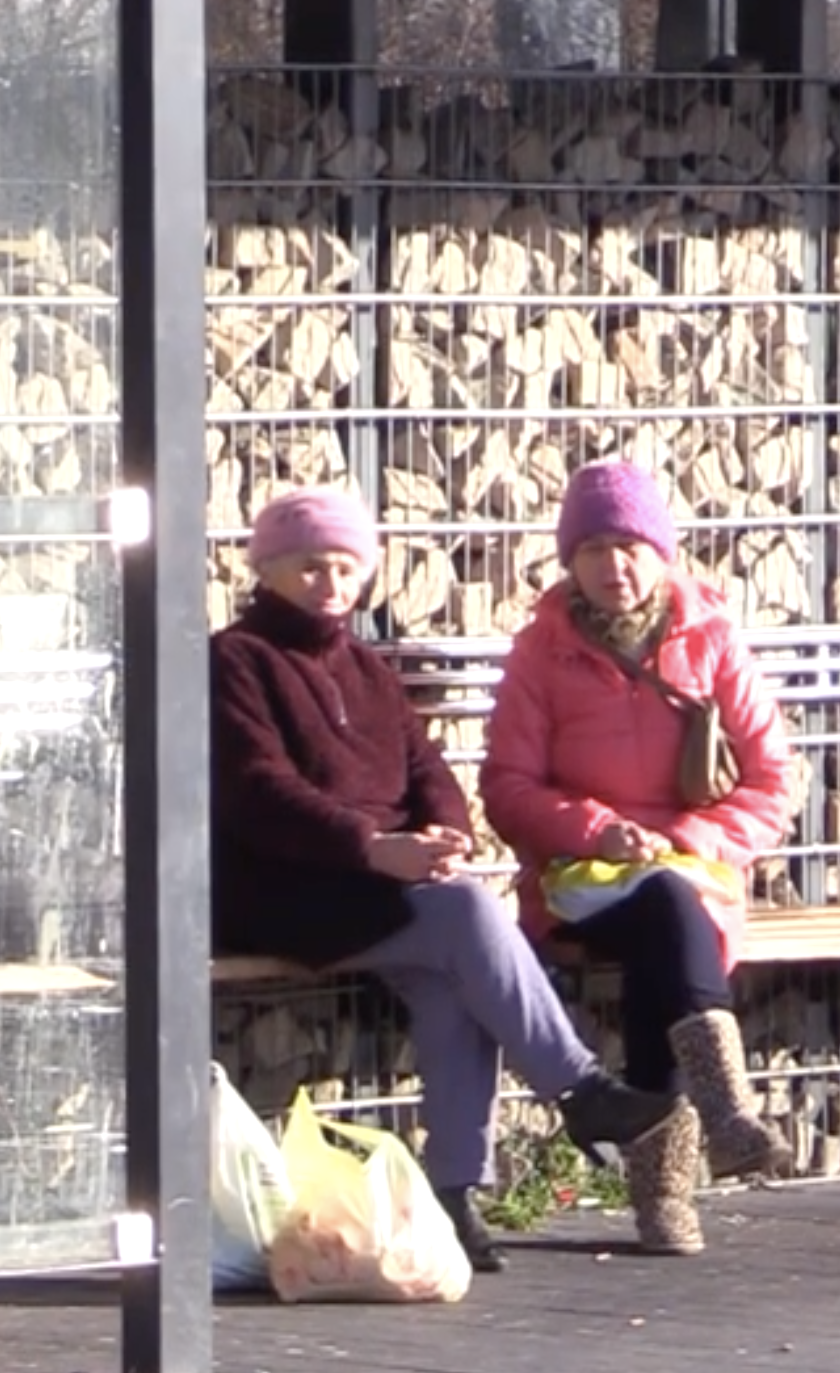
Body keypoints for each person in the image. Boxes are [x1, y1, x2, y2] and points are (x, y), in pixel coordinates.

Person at [211, 482, 676, 1275]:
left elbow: (425, 767)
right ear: (271, 571)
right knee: (463, 917)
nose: (332, 587)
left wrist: (446, 831)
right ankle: (580, 1091)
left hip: (378, 890)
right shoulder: (234, 661)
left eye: (348, 569)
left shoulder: (366, 668)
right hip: (281, 892)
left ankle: (456, 1195)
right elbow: (260, 792)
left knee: (453, 977)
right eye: (311, 568)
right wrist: (370, 846)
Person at [480, 457, 802, 1252]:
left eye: (630, 547)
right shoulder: (541, 654)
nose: (613, 567)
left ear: (664, 553)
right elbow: (508, 788)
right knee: (664, 909)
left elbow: (772, 782)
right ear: (570, 562)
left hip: (694, 867)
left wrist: (693, 837)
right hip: (581, 878)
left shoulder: (713, 642)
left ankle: (665, 1194)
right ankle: (720, 1121)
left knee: (670, 911)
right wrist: (595, 829)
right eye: (593, 550)